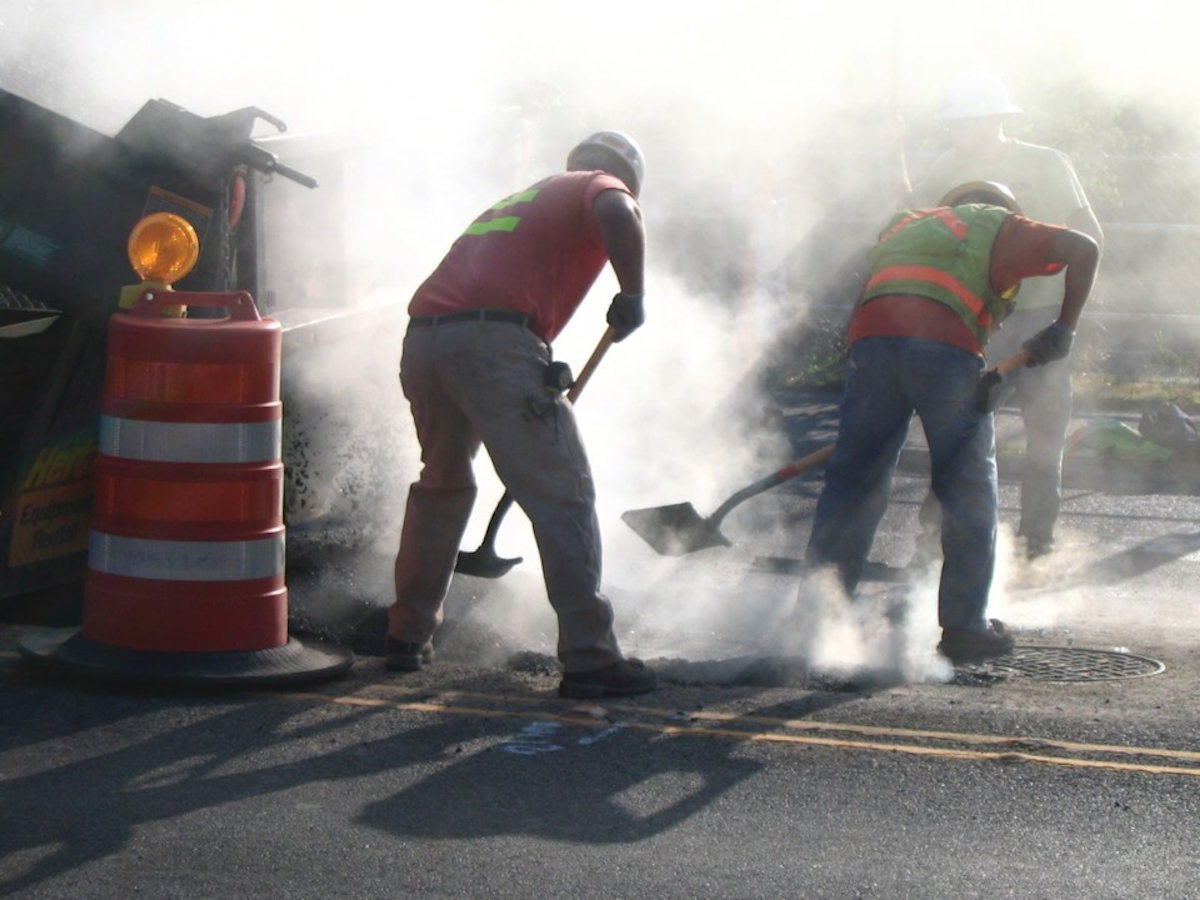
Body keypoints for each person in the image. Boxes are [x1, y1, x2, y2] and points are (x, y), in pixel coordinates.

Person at [386, 130, 657, 699]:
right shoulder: (597, 187)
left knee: (443, 482)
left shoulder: (522, 200)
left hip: (427, 341)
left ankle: (407, 633)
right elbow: (619, 211)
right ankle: (590, 657)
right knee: (563, 491)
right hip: (493, 343)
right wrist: (632, 294)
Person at [803, 180, 1100, 664]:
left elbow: (872, 302)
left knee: (854, 483)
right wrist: (1065, 328)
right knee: (967, 488)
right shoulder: (1002, 224)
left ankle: (818, 621)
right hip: (943, 350)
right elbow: (1084, 248)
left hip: (871, 344)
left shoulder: (907, 226)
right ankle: (964, 627)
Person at [903, 69, 1105, 561]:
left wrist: (1066, 325)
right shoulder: (946, 170)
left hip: (1041, 321)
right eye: (951, 123)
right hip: (978, 325)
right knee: (961, 434)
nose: (953, 131)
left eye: (962, 122)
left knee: (1045, 439)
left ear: (994, 119)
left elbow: (1090, 237)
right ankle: (935, 542)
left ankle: (1037, 544)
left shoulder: (1047, 164)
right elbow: (913, 231)